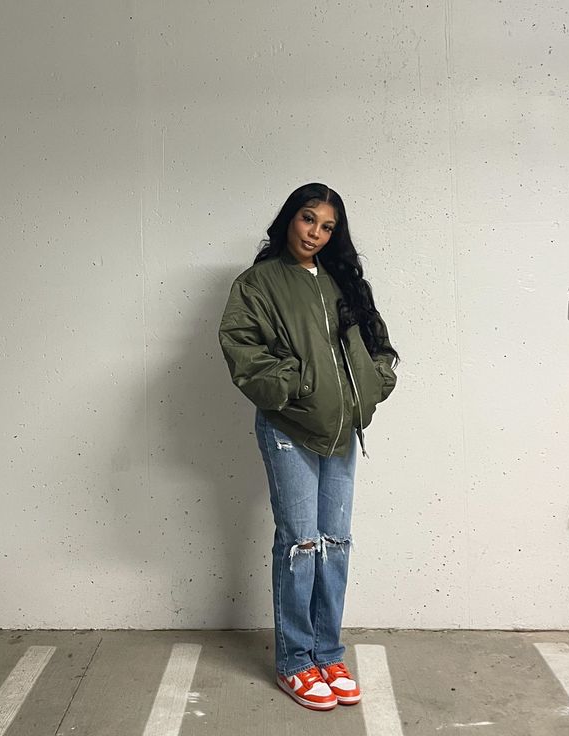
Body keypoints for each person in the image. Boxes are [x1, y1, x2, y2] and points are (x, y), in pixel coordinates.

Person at [218, 183, 399, 711]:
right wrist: (298, 384)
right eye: (307, 220)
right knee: (299, 544)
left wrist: (371, 384)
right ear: (288, 219)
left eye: (327, 227)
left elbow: (378, 344)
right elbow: (242, 352)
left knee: (335, 543)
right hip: (289, 430)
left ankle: (328, 651)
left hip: (342, 432)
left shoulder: (343, 281)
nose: (315, 234)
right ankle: (297, 660)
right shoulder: (258, 283)